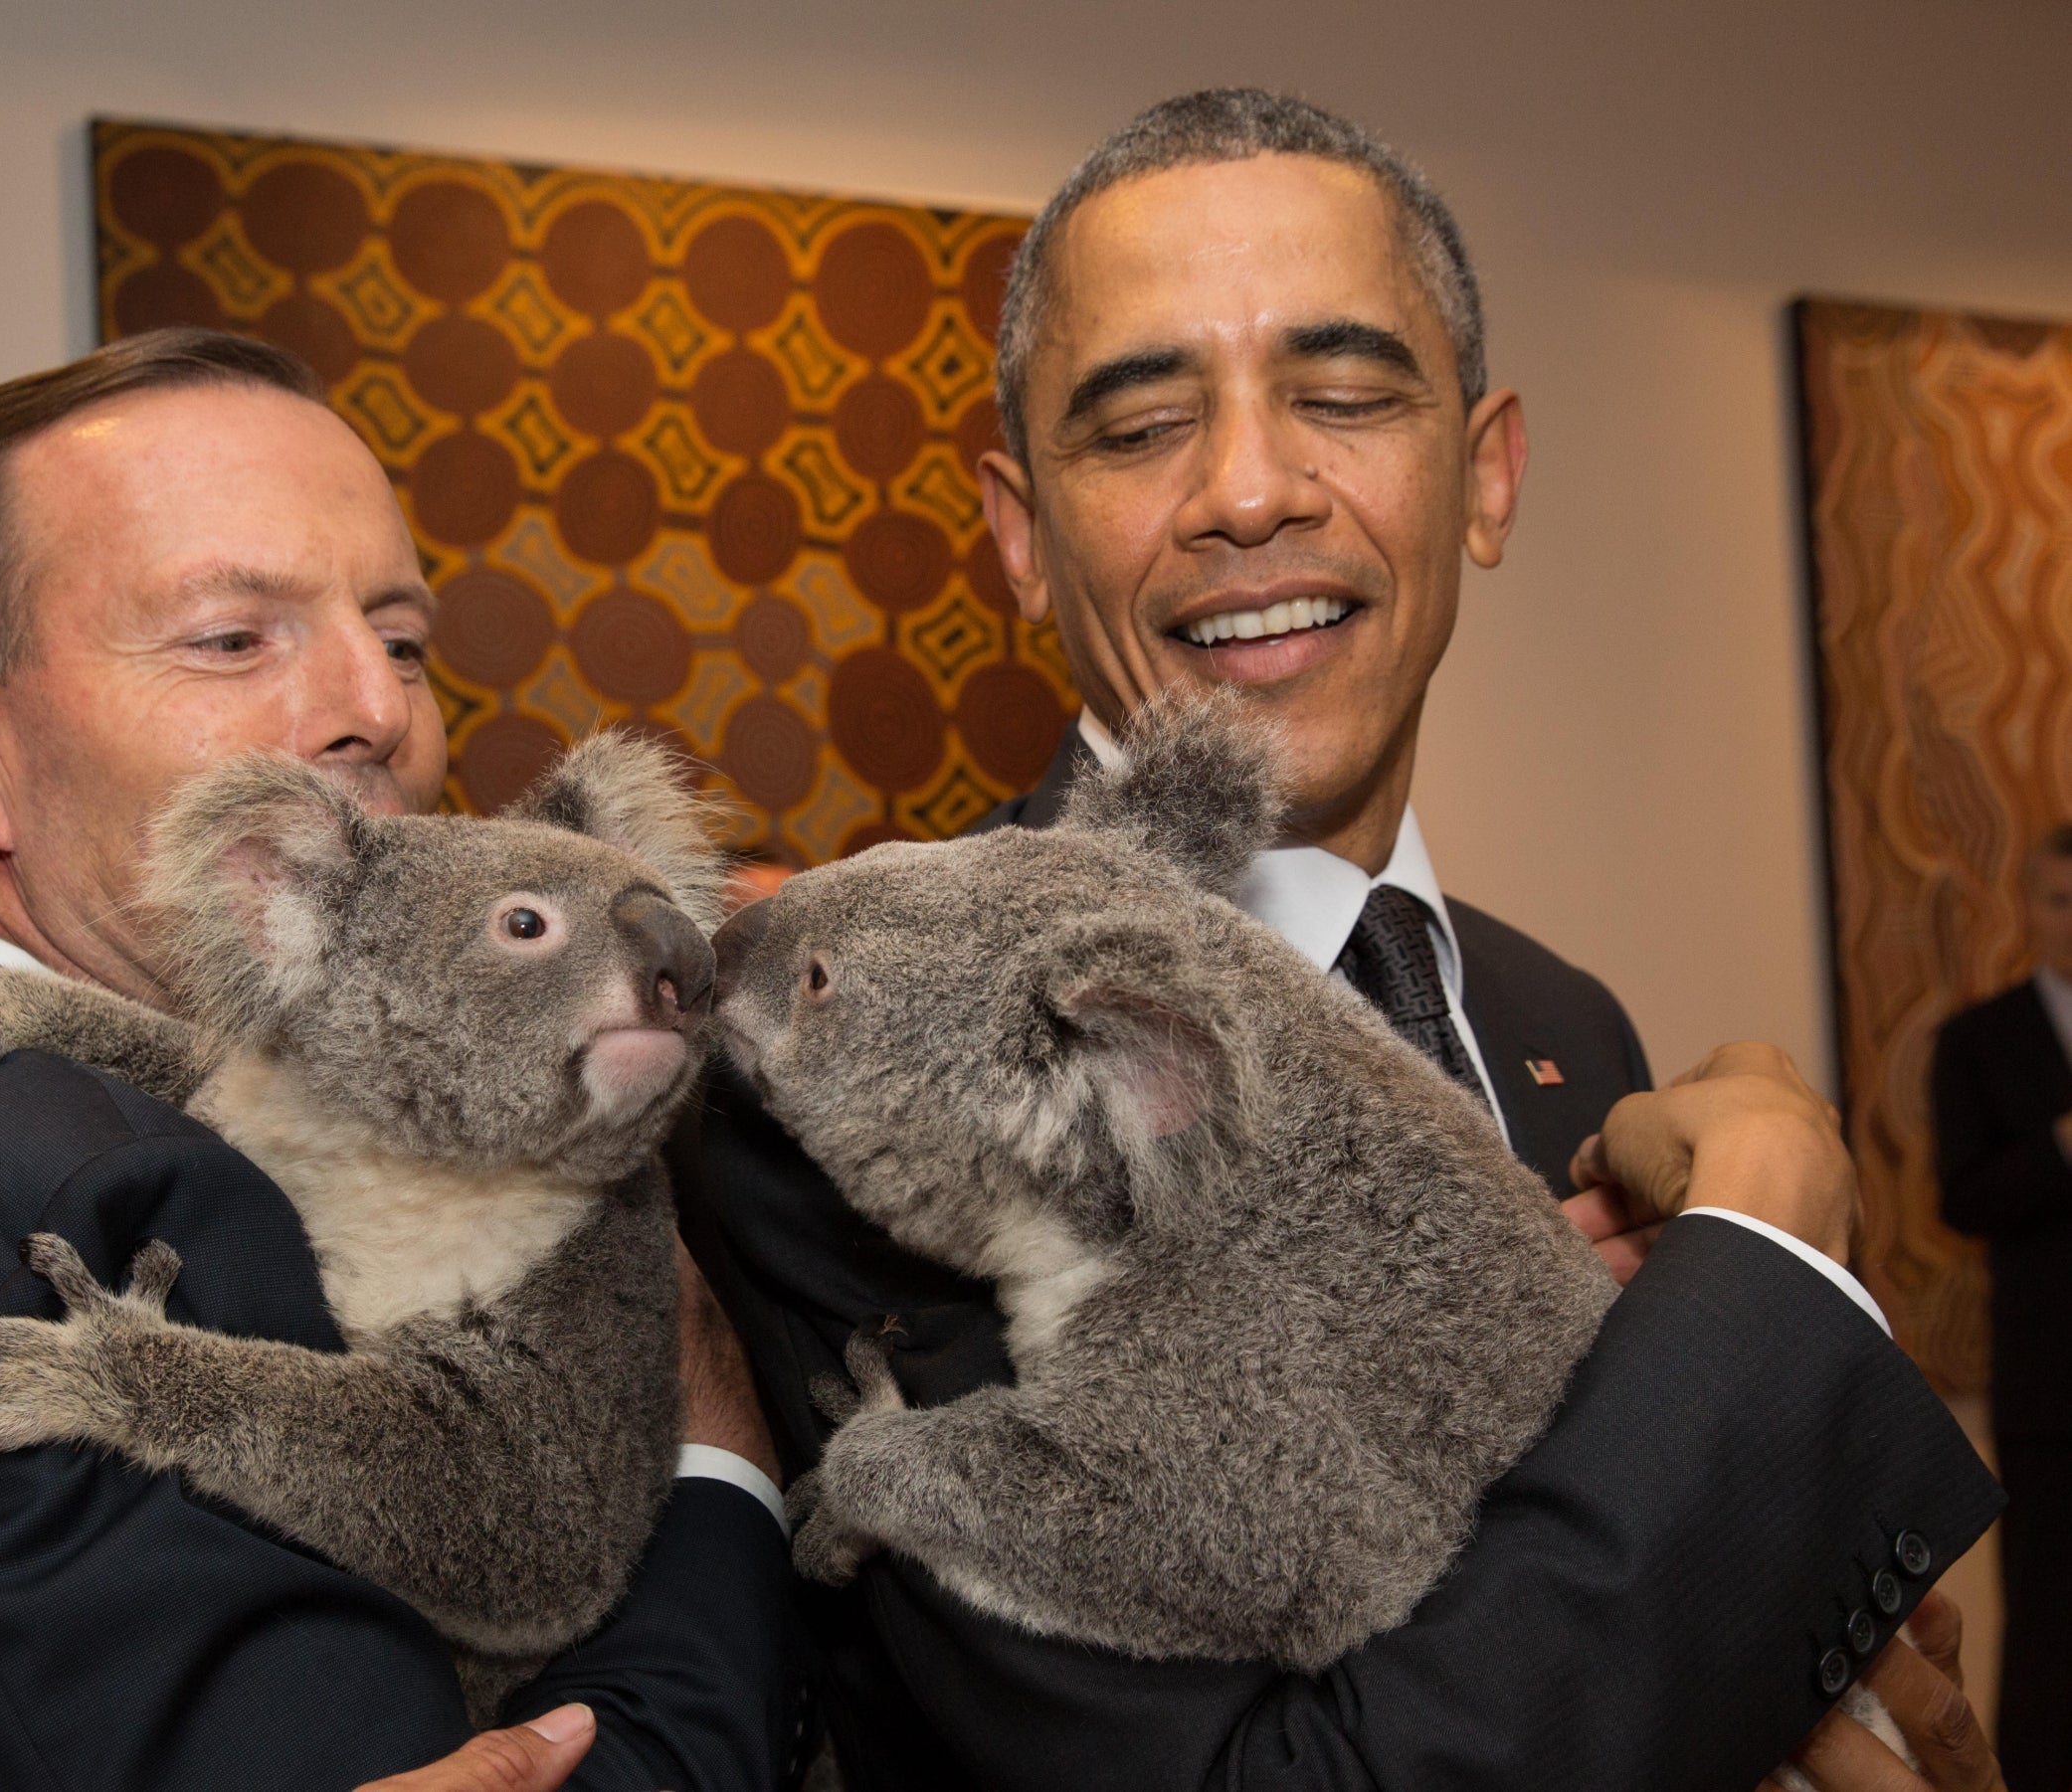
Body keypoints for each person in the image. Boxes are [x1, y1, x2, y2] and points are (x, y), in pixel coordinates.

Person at [672, 89, 2003, 1791]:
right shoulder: (856, 1067)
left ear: (1488, 471)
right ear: (1021, 531)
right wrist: (1770, 1250)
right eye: (1142, 426)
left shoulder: (1556, 1018)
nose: (1248, 490)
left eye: (1349, 393)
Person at [0, 330, 798, 1791]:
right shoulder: (115, 1195)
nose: (376, 707)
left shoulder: (9, 1113)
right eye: (230, 636)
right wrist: (721, 1462)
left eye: (400, 643)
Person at [1934, 819, 2072, 1792]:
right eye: (2061, 898)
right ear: (2026, 907)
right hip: (2050, 1389)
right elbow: (1963, 1196)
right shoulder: (1979, 1038)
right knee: (2049, 1626)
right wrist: (2061, 1143)